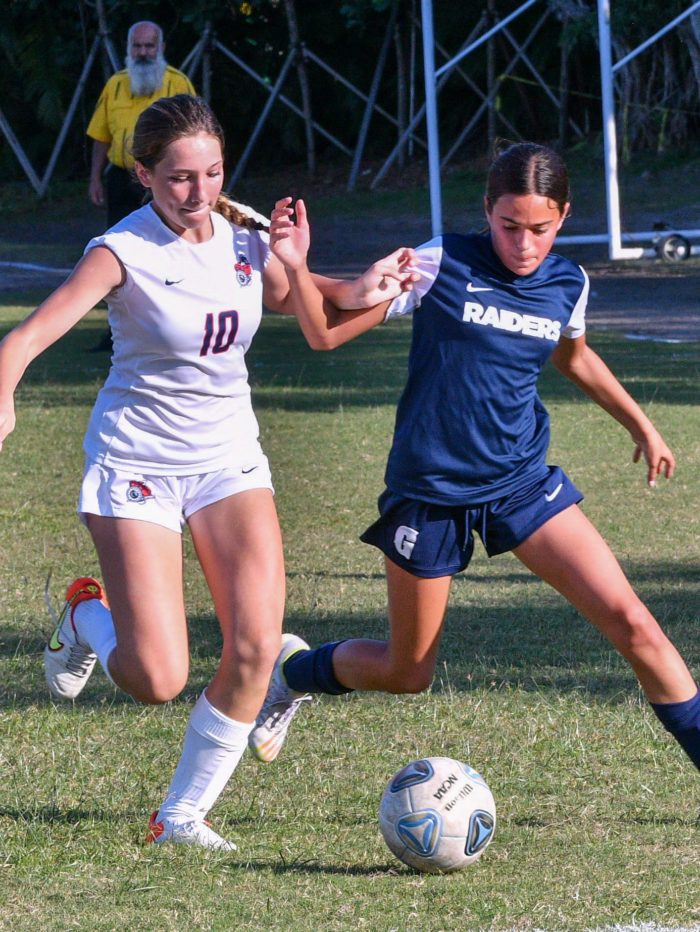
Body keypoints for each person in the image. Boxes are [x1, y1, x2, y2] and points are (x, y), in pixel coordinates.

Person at [0, 94, 415, 851]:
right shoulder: (119, 251)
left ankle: (180, 817)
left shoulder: (244, 235)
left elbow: (318, 308)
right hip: (136, 465)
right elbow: (24, 339)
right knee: (156, 676)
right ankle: (84, 617)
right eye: (180, 178)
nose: (198, 193)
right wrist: (3, 397)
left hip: (228, 459)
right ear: (143, 174)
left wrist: (364, 284)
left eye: (212, 173)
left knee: (256, 646)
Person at [248, 142, 700, 777]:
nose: (522, 244)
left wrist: (642, 424)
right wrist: (296, 269)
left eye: (539, 229)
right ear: (487, 210)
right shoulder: (440, 262)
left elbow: (574, 356)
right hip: (429, 491)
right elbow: (325, 332)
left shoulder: (568, 282)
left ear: (563, 216)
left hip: (520, 483)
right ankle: (294, 671)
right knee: (408, 672)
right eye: (508, 226)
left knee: (636, 626)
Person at [87, 21, 196, 227]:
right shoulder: (115, 84)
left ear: (161, 48)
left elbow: (195, 136)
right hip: (121, 179)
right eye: (137, 46)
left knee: (163, 237)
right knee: (118, 240)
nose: (143, 52)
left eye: (149, 46)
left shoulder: (179, 84)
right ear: (129, 49)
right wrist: (95, 178)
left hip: (163, 179)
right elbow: (100, 136)